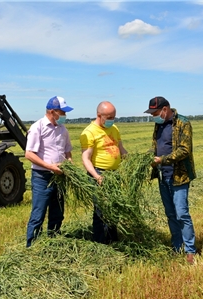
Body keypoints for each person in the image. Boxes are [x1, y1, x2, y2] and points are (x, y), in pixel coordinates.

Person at [144, 96, 197, 264]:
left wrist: (163, 159)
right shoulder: (158, 124)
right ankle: (177, 246)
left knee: (182, 214)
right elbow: (156, 145)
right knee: (171, 214)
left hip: (178, 176)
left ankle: (190, 250)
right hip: (162, 176)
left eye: (156, 112)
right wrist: (150, 157)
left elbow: (184, 150)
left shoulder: (183, 123)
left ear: (165, 109)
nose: (154, 116)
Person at [25, 96, 74, 247]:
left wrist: (69, 163)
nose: (65, 115)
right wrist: (50, 166)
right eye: (62, 112)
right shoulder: (37, 127)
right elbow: (29, 154)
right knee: (38, 213)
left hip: (59, 177)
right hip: (42, 177)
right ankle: (31, 246)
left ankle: (53, 242)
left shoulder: (62, 129)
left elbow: (67, 151)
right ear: (52, 112)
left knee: (57, 213)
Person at [80, 101, 128, 244]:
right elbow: (85, 158)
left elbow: (121, 148)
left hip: (114, 174)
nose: (111, 120)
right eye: (109, 117)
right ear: (99, 115)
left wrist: (131, 161)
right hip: (99, 173)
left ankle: (113, 239)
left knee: (114, 207)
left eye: (113, 117)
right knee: (101, 210)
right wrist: (97, 176)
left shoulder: (114, 128)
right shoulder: (89, 132)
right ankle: (101, 242)